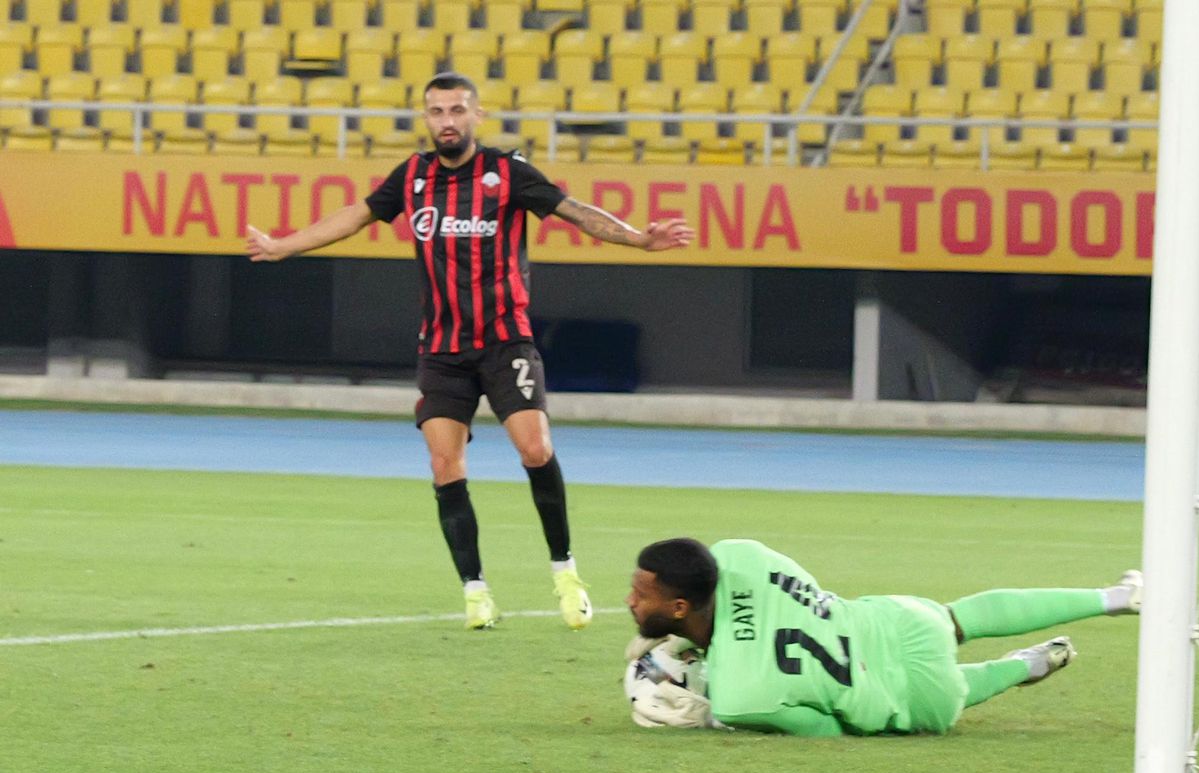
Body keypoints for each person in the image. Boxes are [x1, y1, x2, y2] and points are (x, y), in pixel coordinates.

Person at [246, 72, 695, 631]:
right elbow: (355, 216)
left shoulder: (507, 174)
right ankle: (476, 591)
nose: (447, 121)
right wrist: (284, 246)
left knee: (534, 449)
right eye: (436, 112)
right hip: (442, 351)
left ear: (477, 115)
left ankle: (564, 571)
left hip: (506, 341)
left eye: (457, 110)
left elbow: (574, 211)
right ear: (427, 118)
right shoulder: (411, 178)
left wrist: (638, 238)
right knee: (443, 465)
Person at [623, 537, 1142, 734]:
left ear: (679, 608)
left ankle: (1022, 667)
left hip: (919, 698)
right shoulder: (738, 554)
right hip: (901, 625)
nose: (629, 601)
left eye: (640, 594)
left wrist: (716, 717)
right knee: (965, 617)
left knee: (955, 686)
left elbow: (827, 733)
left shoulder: (738, 697)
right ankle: (1115, 599)